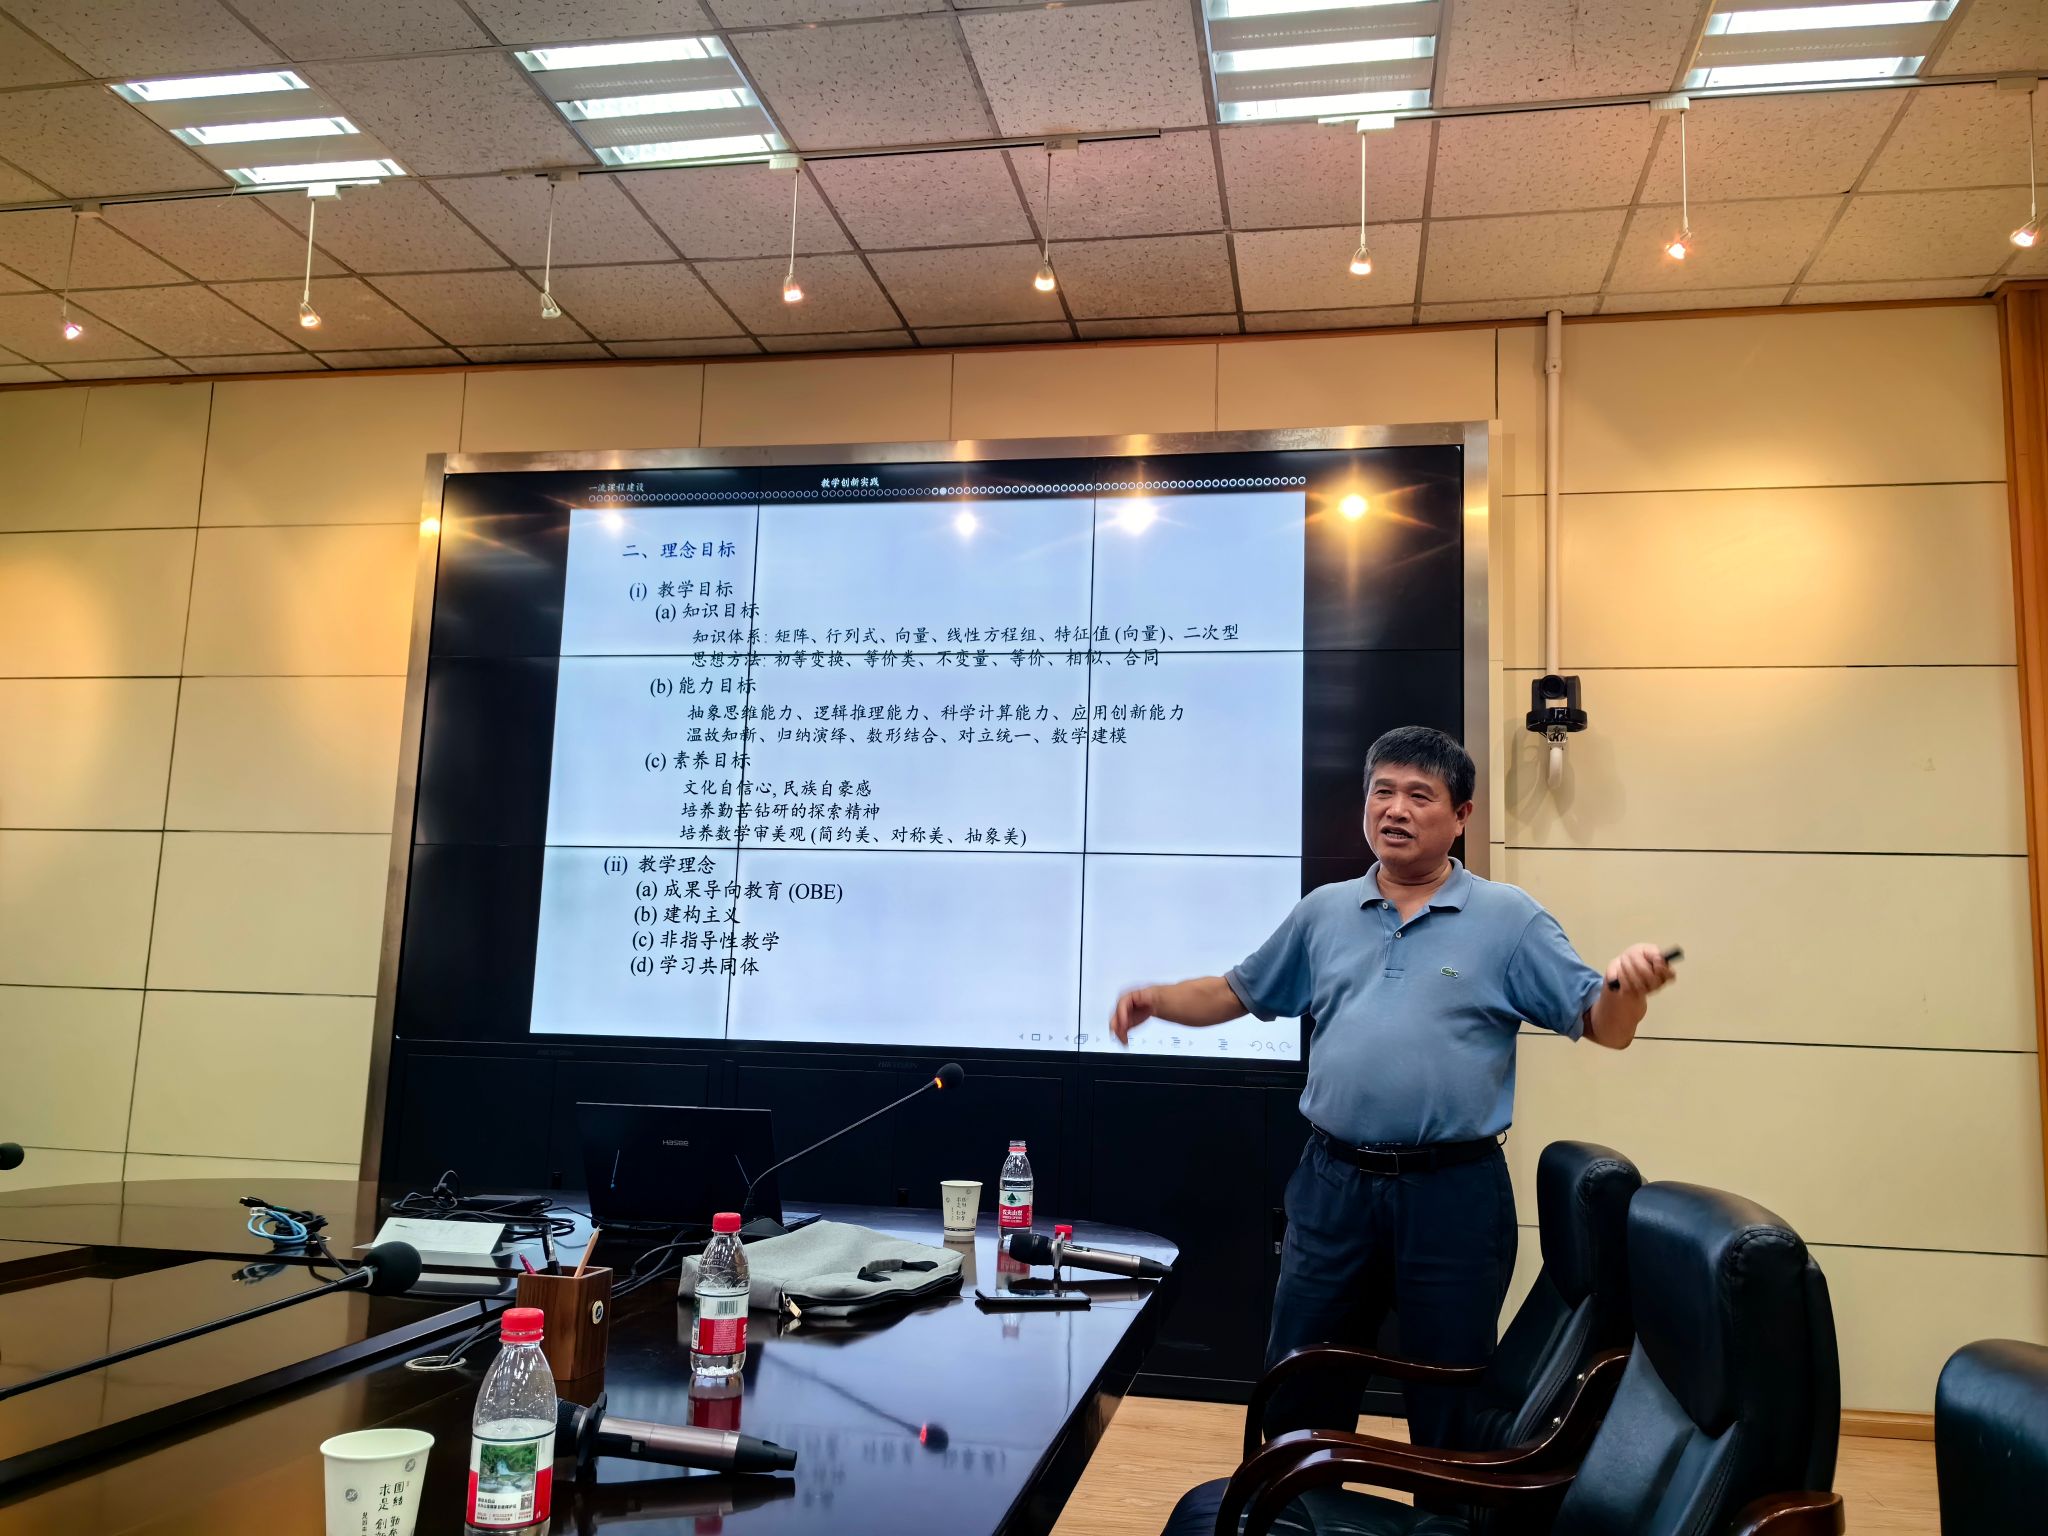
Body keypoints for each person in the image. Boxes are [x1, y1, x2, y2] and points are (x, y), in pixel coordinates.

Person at [1109, 725, 1673, 1449]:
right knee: (1301, 1381)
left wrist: (1626, 987)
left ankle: (1448, 1512)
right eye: (1382, 792)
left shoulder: (1509, 920)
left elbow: (1603, 1024)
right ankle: (1292, 1509)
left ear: (1461, 816)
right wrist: (1157, 1000)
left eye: (1419, 795)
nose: (1395, 810)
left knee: (1450, 1394)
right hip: (1333, 1185)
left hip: (1452, 1194)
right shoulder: (1325, 912)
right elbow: (1236, 991)